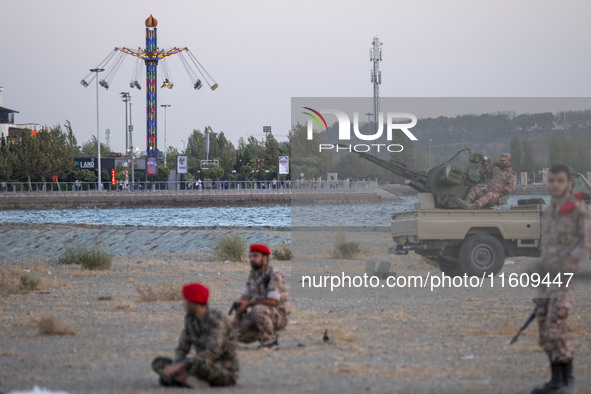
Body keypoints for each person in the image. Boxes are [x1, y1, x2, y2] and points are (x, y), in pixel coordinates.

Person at [529, 164, 591, 394]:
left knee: (557, 328)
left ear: (568, 184)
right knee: (545, 330)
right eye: (552, 181)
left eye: (560, 181)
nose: (555, 185)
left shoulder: (579, 210)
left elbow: (584, 246)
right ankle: (555, 380)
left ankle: (568, 381)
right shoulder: (549, 213)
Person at [151, 283, 238, 388]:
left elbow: (211, 353)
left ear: (193, 303)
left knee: (199, 364)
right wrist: (176, 366)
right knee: (158, 363)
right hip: (196, 365)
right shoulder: (191, 320)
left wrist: (181, 366)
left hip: (221, 370)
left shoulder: (216, 320)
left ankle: (185, 380)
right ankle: (188, 380)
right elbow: (182, 349)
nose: (183, 304)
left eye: (185, 300)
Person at [233, 243, 290, 349]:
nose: (252, 259)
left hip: (277, 315)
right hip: (258, 314)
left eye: (255, 256)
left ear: (265, 259)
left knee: (258, 309)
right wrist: (237, 317)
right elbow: (245, 298)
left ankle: (270, 342)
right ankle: (263, 334)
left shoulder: (274, 274)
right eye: (250, 256)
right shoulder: (253, 274)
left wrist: (249, 304)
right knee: (233, 333)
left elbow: (273, 301)